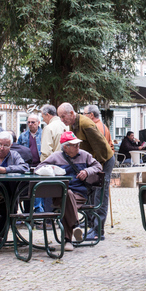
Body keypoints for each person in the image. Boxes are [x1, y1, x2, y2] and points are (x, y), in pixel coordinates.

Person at [36, 131, 103, 251]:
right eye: (74, 145)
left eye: (78, 144)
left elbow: (98, 167)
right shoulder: (55, 157)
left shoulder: (84, 155)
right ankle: (75, 226)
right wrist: (51, 169)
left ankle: (68, 240)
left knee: (68, 199)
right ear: (65, 147)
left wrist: (87, 171)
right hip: (58, 195)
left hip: (80, 195)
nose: (78, 147)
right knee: (67, 195)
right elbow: (38, 168)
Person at [57, 102, 114, 240]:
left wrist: (95, 170)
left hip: (103, 161)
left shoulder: (86, 124)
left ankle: (98, 232)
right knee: (90, 192)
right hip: (93, 162)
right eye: (60, 117)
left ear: (71, 113)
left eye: (63, 116)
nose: (62, 120)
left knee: (100, 194)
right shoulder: (73, 124)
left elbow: (101, 148)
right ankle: (91, 225)